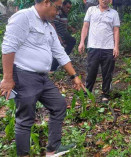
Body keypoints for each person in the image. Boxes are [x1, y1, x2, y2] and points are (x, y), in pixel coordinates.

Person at [0, 0, 85, 156]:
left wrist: (74, 76)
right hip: (24, 76)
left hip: (42, 78)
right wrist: (7, 78)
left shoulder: (48, 26)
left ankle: (53, 150)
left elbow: (59, 52)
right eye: (57, 8)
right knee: (25, 119)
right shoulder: (23, 17)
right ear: (47, 2)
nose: (58, 12)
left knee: (59, 105)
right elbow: (8, 47)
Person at [78, 0, 120, 104]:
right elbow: (86, 26)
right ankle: (87, 92)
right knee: (91, 71)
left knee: (107, 72)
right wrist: (82, 42)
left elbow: (116, 30)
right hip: (93, 46)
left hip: (108, 47)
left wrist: (116, 47)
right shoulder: (91, 10)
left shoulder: (114, 13)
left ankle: (105, 94)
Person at [51, 0, 76, 71]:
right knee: (59, 50)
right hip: (59, 34)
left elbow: (64, 23)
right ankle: (53, 68)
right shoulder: (58, 13)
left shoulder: (65, 14)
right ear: (63, 5)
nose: (68, 9)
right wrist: (58, 37)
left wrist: (71, 28)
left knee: (71, 42)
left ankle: (61, 61)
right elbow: (53, 24)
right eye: (67, 7)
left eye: (69, 8)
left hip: (64, 34)